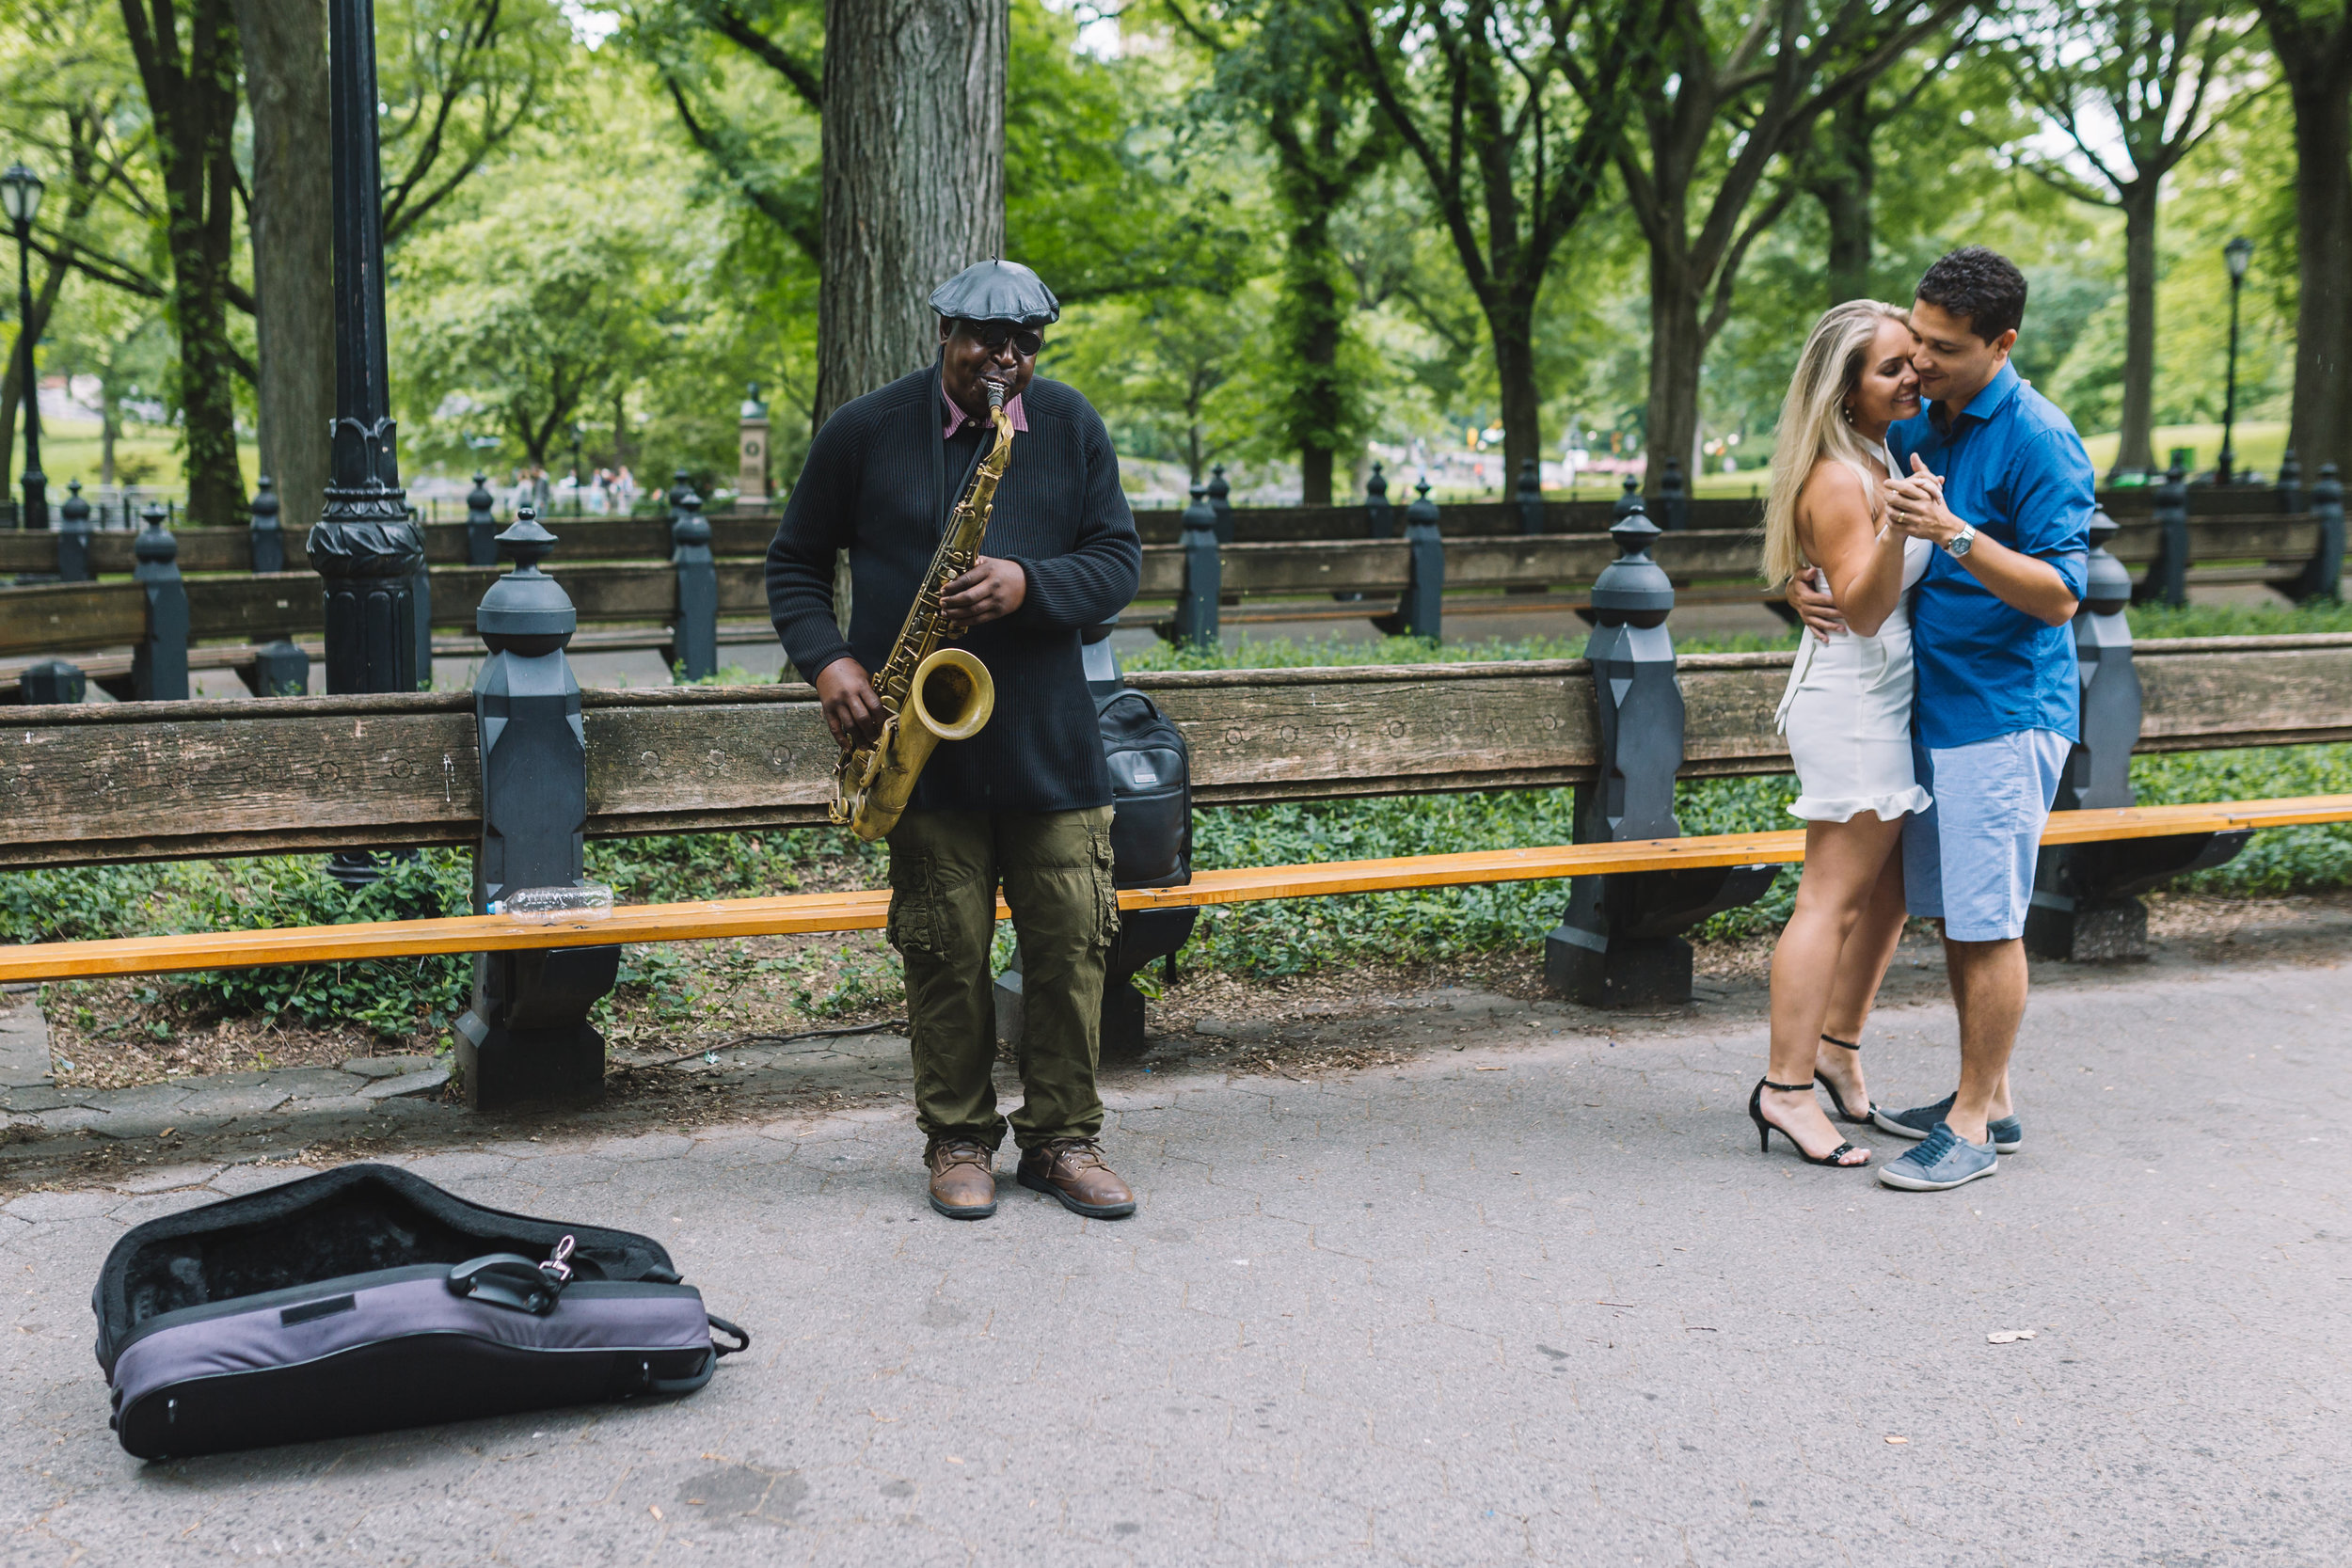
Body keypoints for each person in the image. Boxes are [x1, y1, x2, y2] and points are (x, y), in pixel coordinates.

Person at [765, 260, 1144, 1223]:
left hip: (1049, 744)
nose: (1003, 359)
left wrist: (1028, 583)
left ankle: (1063, 1138)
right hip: (920, 748)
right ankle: (959, 1136)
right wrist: (829, 663)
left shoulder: (1067, 426)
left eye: (1024, 344)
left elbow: (1117, 563)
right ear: (944, 330)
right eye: (984, 337)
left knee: (1069, 941)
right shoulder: (865, 430)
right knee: (947, 946)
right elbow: (795, 562)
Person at [1789, 246, 2092, 1193]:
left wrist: (1957, 533)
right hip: (1935, 703)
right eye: (1913, 342)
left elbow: (2060, 596)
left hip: (2004, 711)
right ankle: (1987, 1099)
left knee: (1988, 922)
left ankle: (1970, 1120)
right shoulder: (1934, 417)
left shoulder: (2039, 437)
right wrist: (1804, 588)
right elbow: (1842, 519)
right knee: (1958, 915)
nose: (1918, 364)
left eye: (1942, 349)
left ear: (2000, 343)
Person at [1749, 300, 1931, 1168]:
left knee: (1885, 890)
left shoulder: (1878, 452)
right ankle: (1785, 1090)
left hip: (1883, 697)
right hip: (1854, 702)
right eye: (1890, 367)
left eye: (1915, 359)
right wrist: (1899, 523)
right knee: (1831, 895)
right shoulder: (1841, 476)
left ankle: (1837, 1045)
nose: (1913, 375)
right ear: (1845, 389)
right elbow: (1860, 612)